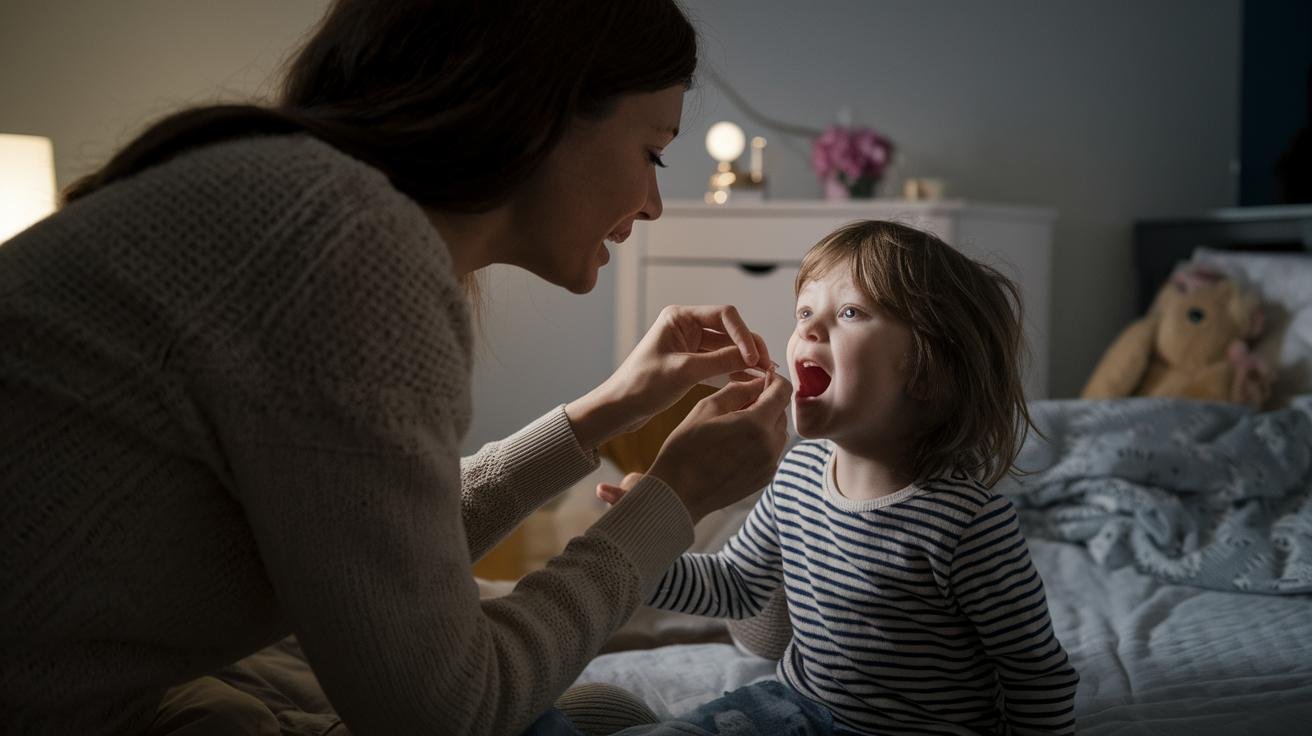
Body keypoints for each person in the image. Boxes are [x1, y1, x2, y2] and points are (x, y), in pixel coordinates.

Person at [0, 1, 794, 734]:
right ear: (543, 109)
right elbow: (448, 710)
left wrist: (607, 411)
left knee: (597, 711)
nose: (653, 203)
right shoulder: (346, 251)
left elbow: (376, 546)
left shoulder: (302, 198)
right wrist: (672, 498)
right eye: (653, 154)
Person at [597, 220, 1080, 734]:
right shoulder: (797, 475)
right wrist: (640, 555)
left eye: (850, 312)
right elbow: (734, 585)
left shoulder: (968, 525)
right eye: (805, 312)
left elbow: (1035, 675)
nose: (807, 330)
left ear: (926, 372)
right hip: (795, 708)